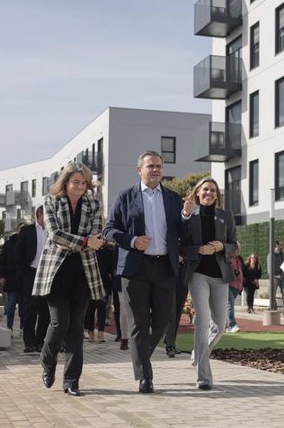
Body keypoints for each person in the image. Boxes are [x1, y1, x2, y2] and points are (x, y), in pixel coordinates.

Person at [103, 151, 191, 394]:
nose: (155, 170)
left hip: (165, 267)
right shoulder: (125, 197)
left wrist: (186, 214)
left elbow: (183, 231)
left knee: (164, 320)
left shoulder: (173, 198)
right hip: (135, 269)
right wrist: (131, 240)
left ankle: (141, 355)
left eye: (159, 166)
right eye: (151, 166)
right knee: (139, 325)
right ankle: (145, 376)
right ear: (139, 170)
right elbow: (108, 230)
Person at [33, 161, 106, 397]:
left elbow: (97, 234)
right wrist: (84, 242)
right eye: (76, 182)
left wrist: (87, 241)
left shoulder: (93, 204)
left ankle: (72, 381)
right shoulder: (51, 201)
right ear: (65, 182)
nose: (80, 187)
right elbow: (55, 235)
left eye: (84, 183)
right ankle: (47, 359)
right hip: (56, 273)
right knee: (59, 323)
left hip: (84, 273)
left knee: (77, 329)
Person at [180, 177, 237, 390]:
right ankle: (203, 377)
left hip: (220, 276)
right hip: (198, 275)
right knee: (203, 320)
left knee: (220, 325)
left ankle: (197, 353)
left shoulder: (226, 216)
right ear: (197, 192)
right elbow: (181, 247)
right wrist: (199, 250)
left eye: (213, 190)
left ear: (217, 194)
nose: (209, 193)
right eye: (205, 189)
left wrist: (222, 246)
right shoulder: (189, 217)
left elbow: (234, 245)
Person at [17, 206, 50, 353]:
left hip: (47, 274)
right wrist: (24, 272)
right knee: (30, 308)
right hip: (31, 273)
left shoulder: (53, 232)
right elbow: (18, 253)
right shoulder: (27, 230)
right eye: (47, 214)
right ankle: (28, 342)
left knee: (45, 311)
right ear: (39, 215)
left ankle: (39, 341)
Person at [85, 242, 113, 343]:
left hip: (103, 284)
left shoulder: (108, 252)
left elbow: (111, 269)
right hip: (90, 283)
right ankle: (91, 333)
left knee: (102, 308)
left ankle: (101, 334)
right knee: (90, 309)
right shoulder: (88, 250)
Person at [164, 257, 189, 358]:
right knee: (172, 311)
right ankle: (170, 346)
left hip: (184, 274)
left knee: (178, 310)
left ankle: (170, 340)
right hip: (168, 274)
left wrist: (184, 257)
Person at [0, 226, 22, 330]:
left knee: (24, 306)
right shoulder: (8, 244)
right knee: (11, 304)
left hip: (24, 279)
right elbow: (2, 261)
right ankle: (9, 326)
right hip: (11, 278)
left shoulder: (29, 243)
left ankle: (23, 327)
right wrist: (2, 276)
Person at [268, 240, 284, 314]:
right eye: (280, 244)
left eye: (282, 244)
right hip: (274, 277)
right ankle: (274, 308)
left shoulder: (282, 254)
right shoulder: (271, 255)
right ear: (276, 245)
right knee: (272, 294)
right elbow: (269, 267)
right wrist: (272, 277)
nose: (281, 246)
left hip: (282, 277)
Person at [227, 242, 244, 333]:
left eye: (238, 249)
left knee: (228, 306)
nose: (237, 251)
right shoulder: (228, 258)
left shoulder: (239, 259)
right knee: (230, 305)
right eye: (236, 249)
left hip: (237, 286)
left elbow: (243, 270)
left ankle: (225, 325)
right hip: (229, 284)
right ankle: (231, 325)